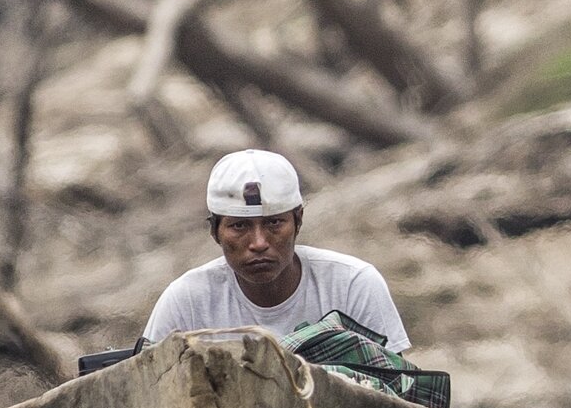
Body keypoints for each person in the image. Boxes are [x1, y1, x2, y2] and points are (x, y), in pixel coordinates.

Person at [141, 150, 412, 354]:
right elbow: (149, 390)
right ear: (215, 232)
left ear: (298, 222)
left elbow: (396, 391)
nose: (258, 242)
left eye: (273, 223)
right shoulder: (186, 300)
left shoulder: (353, 284)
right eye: (239, 226)